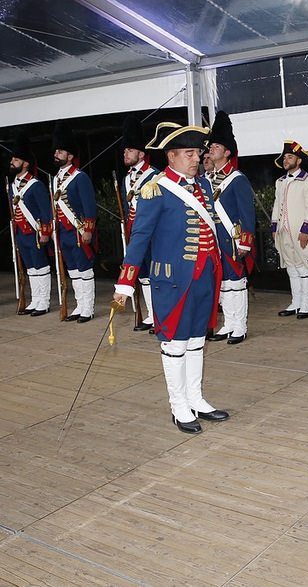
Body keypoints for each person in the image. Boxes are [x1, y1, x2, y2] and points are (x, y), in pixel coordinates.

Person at [113, 121, 228, 434]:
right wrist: (125, 282)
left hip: (204, 276)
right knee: (175, 344)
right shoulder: (155, 189)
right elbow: (139, 237)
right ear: (172, 157)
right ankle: (178, 406)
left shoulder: (203, 186)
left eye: (198, 153)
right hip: (173, 280)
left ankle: (196, 398)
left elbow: (212, 229)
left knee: (196, 340)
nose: (196, 158)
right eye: (189, 153)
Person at [206, 111, 256, 345]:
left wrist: (245, 242)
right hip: (214, 241)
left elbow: (247, 214)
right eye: (211, 146)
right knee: (224, 284)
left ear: (227, 152)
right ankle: (228, 324)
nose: (211, 149)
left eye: (216, 146)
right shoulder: (207, 180)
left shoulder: (237, 179)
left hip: (233, 240)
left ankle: (240, 326)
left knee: (236, 283)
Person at [52, 122, 98, 323]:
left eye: (60, 151)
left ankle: (88, 308)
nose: (56, 153)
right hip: (64, 232)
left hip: (79, 232)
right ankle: (79, 306)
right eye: (56, 150)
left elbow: (89, 206)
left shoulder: (80, 178)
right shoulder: (56, 179)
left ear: (70, 156)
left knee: (84, 269)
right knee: (72, 270)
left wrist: (88, 230)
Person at [271, 140, 308, 319]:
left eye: (290, 157)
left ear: (299, 161)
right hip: (284, 232)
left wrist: (306, 229)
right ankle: (295, 303)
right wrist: (275, 225)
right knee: (291, 267)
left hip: (301, 231)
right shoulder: (280, 181)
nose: (286, 160)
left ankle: (306, 305)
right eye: (284, 157)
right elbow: (277, 204)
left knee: (305, 268)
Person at [9, 131, 54, 316]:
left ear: (25, 164)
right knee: (30, 268)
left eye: (16, 159)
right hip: (21, 233)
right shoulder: (13, 185)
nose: (12, 162)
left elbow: (45, 211)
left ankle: (43, 301)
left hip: (35, 232)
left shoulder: (35, 185)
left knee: (41, 266)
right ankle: (35, 299)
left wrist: (45, 231)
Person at [121, 116, 159, 331]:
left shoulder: (154, 176)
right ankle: (152, 315)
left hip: (152, 235)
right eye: (125, 150)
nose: (126, 154)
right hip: (135, 234)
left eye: (130, 150)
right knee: (143, 274)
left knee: (154, 275)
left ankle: (160, 316)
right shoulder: (127, 178)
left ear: (141, 154)